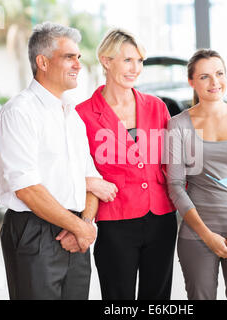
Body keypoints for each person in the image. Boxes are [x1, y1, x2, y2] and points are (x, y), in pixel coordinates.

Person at [0, 22, 101, 300]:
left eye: (78, 56)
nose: (78, 63)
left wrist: (85, 223)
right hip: (34, 230)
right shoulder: (19, 113)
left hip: (75, 231)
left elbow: (91, 181)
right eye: (69, 57)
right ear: (42, 62)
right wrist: (80, 229)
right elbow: (26, 188)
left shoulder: (71, 117)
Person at [76, 28, 177, 300]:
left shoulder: (157, 107)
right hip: (115, 222)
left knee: (158, 299)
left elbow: (172, 162)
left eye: (140, 61)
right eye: (128, 60)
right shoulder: (82, 115)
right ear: (106, 61)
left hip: (161, 217)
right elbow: (74, 168)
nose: (136, 69)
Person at [165, 49, 227, 300]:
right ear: (192, 81)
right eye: (205, 77)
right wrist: (206, 234)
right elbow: (176, 185)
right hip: (197, 234)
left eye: (219, 74)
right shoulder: (178, 124)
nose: (215, 82)